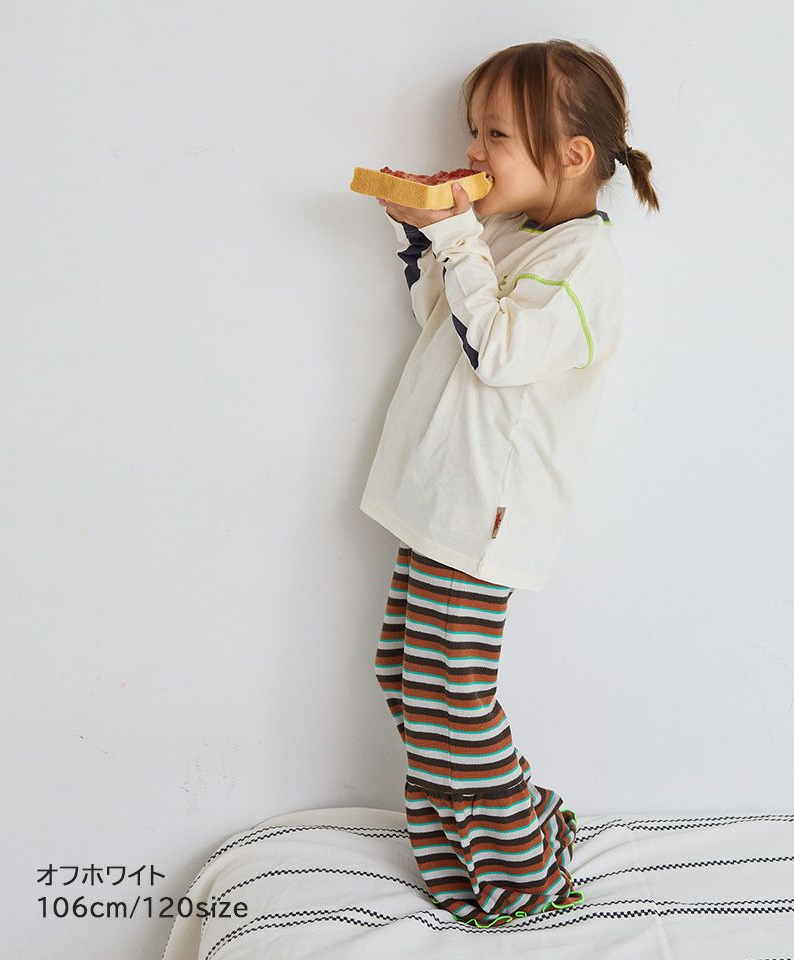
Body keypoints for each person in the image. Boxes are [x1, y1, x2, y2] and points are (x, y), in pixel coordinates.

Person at [361, 39, 660, 927]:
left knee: (454, 699)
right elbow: (442, 322)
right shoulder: (508, 234)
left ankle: (522, 876)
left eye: (496, 134)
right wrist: (426, 239)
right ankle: (499, 839)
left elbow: (497, 353)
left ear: (572, 155)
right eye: (475, 131)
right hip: (437, 500)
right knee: (405, 677)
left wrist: (457, 237)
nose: (475, 151)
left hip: (482, 516)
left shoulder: (583, 262)